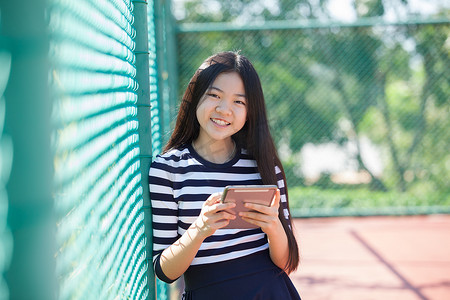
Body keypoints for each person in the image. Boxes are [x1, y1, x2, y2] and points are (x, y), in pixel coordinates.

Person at [149, 51, 301, 299]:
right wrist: (200, 228)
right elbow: (164, 271)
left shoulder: (265, 165)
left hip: (270, 291)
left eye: (239, 102)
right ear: (195, 96)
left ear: (251, 110)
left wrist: (273, 226)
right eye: (214, 95)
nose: (224, 109)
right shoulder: (167, 170)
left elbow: (285, 262)